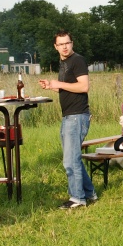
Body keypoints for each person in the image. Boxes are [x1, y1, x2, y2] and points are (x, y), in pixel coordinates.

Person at [38, 30, 96, 209]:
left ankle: (77, 199)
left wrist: (59, 84)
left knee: (70, 160)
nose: (64, 46)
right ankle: (89, 193)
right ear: (55, 47)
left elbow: (84, 87)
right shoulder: (63, 62)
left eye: (67, 43)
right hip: (68, 115)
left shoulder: (77, 60)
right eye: (61, 44)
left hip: (77, 116)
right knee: (74, 158)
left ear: (72, 43)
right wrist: (52, 86)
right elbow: (69, 87)